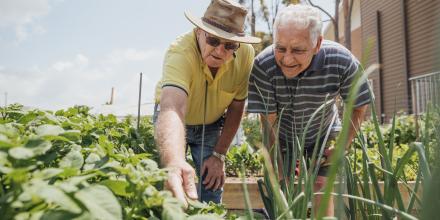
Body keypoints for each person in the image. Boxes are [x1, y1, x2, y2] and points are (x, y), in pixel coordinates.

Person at [247, 4, 371, 216]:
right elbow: (268, 122)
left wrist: (341, 147)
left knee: (322, 187)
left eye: (298, 50)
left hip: (324, 133)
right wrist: (277, 164)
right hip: (282, 136)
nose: (286, 59)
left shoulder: (341, 61)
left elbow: (358, 107)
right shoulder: (264, 65)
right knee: (282, 195)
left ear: (317, 44)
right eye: (280, 48)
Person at [154, 0, 261, 206]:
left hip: (211, 125)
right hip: (175, 122)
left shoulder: (246, 55)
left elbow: (237, 106)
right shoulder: (180, 52)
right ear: (198, 32)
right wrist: (174, 161)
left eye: (229, 45)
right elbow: (172, 108)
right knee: (170, 183)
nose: (220, 51)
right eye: (213, 41)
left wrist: (219, 155)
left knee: (211, 187)